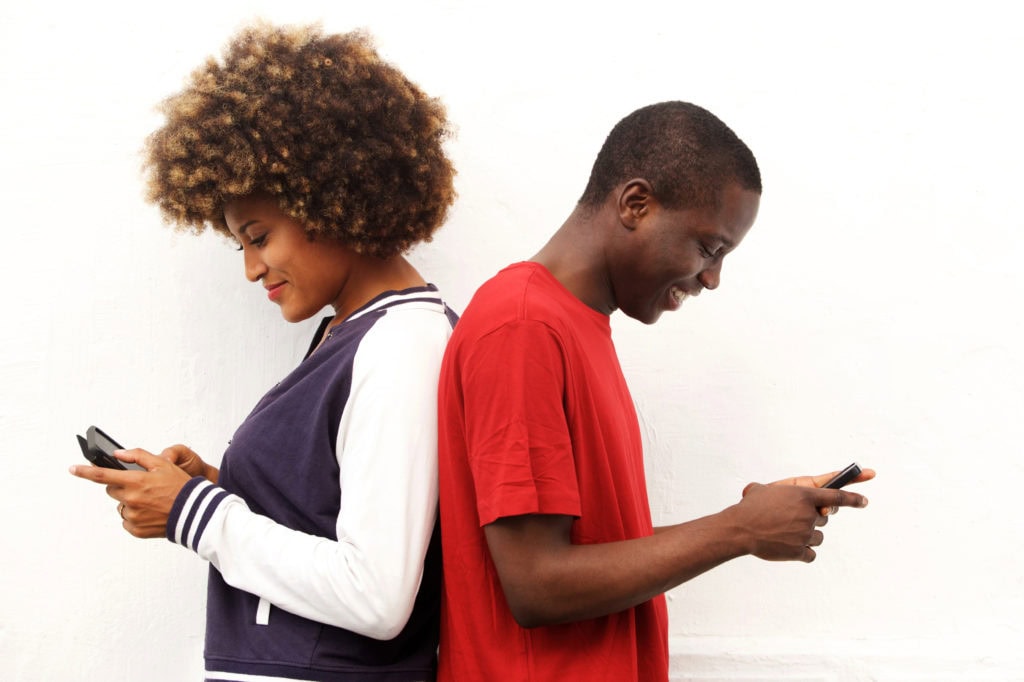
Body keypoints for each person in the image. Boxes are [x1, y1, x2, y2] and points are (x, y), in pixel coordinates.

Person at [70, 22, 457, 682]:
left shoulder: (403, 345)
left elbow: (378, 595)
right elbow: (332, 521)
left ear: (332, 199)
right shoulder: (354, 335)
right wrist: (215, 491)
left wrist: (196, 515)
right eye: (239, 246)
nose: (251, 269)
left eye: (258, 236)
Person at [435, 101, 874, 681]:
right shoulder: (522, 327)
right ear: (635, 204)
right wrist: (738, 530)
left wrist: (747, 518)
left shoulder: (570, 323)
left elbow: (589, 551)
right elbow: (538, 585)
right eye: (710, 248)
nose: (712, 279)